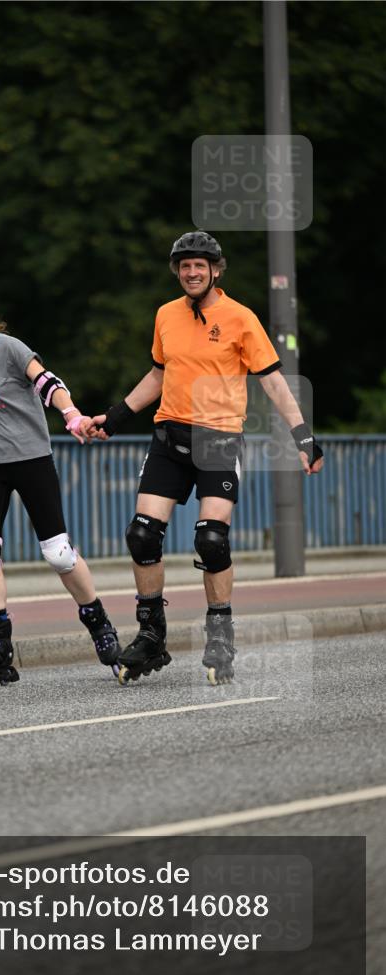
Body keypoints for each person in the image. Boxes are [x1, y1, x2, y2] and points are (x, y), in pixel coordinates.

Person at [90, 231, 324, 686]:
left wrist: (303, 436)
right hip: (169, 438)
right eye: (184, 266)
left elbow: (274, 382)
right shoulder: (165, 315)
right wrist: (114, 417)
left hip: (218, 441)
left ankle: (219, 636)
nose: (191, 272)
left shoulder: (240, 318)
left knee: (211, 539)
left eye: (200, 265)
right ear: (177, 272)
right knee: (141, 535)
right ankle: (152, 635)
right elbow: (159, 373)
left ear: (216, 269)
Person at [0, 276, 121, 688]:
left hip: (32, 458)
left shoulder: (9, 348)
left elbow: (48, 383)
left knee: (58, 554)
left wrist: (71, 416)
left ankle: (99, 623)